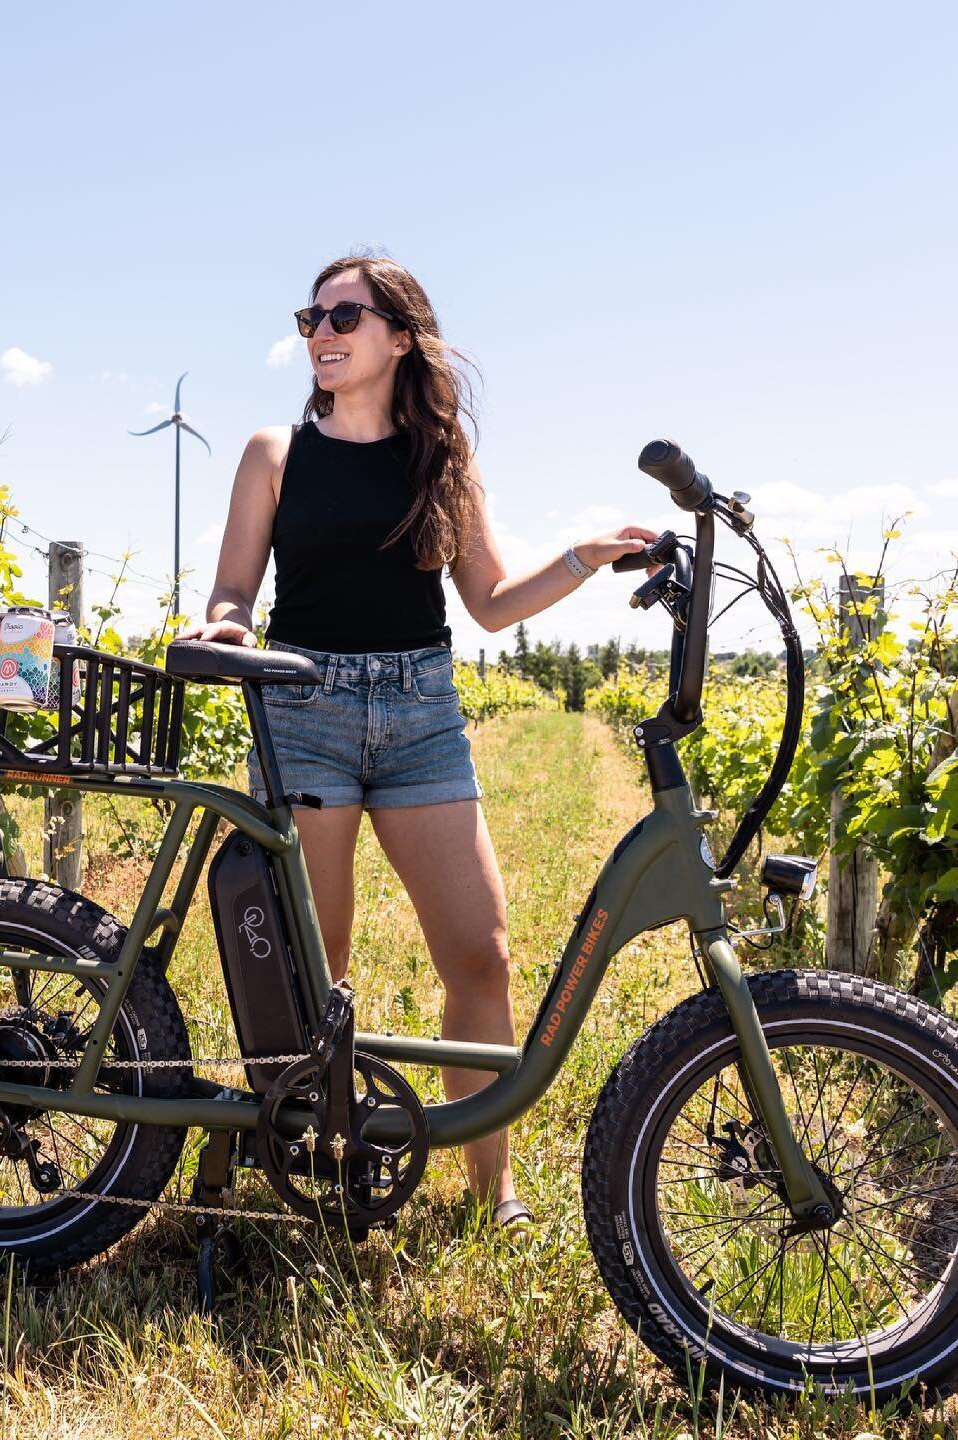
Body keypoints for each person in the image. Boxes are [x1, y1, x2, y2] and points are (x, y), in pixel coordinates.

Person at [177, 253, 657, 1227]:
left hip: (420, 716)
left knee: (480, 956)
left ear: (400, 335)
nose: (321, 329)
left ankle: (495, 1196)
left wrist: (584, 555)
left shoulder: (443, 459)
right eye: (311, 314)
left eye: (343, 314)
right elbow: (234, 587)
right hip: (302, 706)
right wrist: (226, 623)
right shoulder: (276, 452)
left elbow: (490, 601)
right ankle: (319, 1153)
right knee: (323, 961)